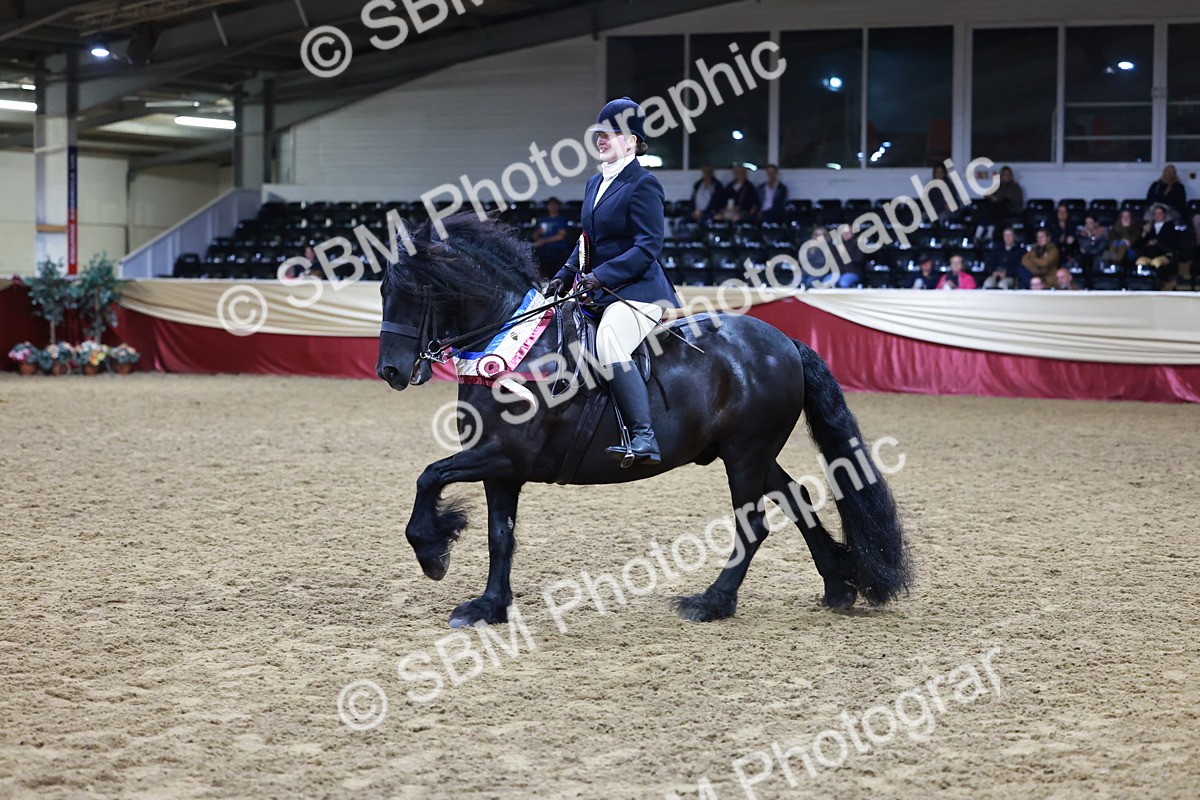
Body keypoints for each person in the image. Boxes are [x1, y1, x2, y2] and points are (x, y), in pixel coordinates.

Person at [546, 98, 681, 465]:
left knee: (609, 342)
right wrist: (564, 274)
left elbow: (647, 247)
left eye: (610, 134)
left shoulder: (644, 183)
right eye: (599, 134)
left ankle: (644, 436)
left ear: (632, 141)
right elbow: (587, 239)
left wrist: (600, 275)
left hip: (640, 290)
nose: (601, 139)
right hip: (602, 289)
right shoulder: (595, 182)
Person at [1135, 203, 1185, 285]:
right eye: (1156, 213)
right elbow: (1140, 243)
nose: (1157, 215)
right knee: (1140, 261)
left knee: (1156, 262)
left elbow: (1172, 242)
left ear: (1164, 215)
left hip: (1163, 254)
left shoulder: (1169, 227)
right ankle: (1141, 283)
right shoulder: (1149, 227)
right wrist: (1144, 233)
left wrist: (1157, 242)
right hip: (1149, 254)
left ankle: (1158, 284)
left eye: (1160, 213)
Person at [975, 165, 1024, 242]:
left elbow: (1014, 202)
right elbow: (987, 195)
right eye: (1005, 174)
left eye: (1008, 174)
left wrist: (998, 199)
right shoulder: (997, 186)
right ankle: (984, 228)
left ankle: (986, 229)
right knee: (985, 206)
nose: (1007, 176)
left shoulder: (1015, 188)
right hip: (996, 209)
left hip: (1010, 210)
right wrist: (990, 196)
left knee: (996, 208)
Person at [531, 197, 572, 276]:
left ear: (558, 206)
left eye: (554, 205)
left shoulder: (561, 220)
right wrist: (537, 235)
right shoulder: (543, 220)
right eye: (550, 205)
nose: (552, 207)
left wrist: (543, 241)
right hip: (543, 249)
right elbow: (535, 235)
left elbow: (560, 236)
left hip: (557, 249)